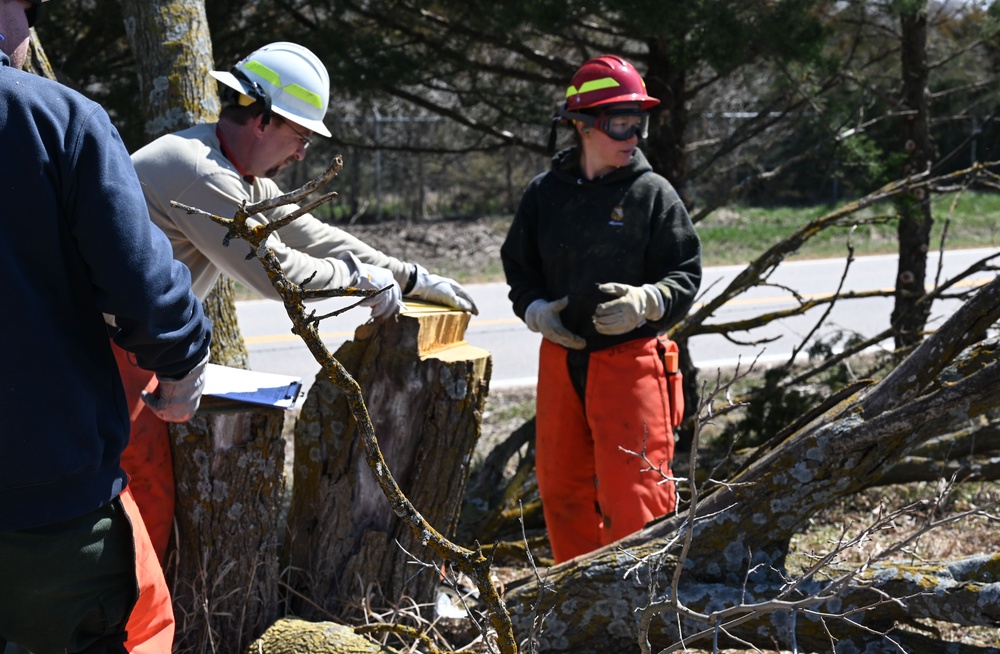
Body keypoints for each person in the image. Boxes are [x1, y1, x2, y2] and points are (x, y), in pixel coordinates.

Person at [122, 41, 479, 560]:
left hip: (128, 353)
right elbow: (277, 272)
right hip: (100, 357)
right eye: (300, 135)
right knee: (133, 506)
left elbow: (313, 235)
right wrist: (358, 280)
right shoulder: (200, 170)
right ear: (263, 119)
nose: (301, 154)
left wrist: (410, 276)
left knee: (145, 506)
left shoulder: (227, 167)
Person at [0, 0, 213, 650]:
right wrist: (180, 369)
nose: (29, 31)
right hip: (47, 517)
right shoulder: (54, 117)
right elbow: (147, 288)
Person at [501, 54, 702, 563]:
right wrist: (535, 309)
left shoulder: (652, 194)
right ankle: (582, 610)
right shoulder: (545, 195)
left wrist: (648, 301)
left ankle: (646, 615)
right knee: (562, 491)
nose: (633, 135)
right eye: (620, 122)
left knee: (638, 497)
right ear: (582, 124)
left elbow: (685, 272)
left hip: (630, 363)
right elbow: (519, 268)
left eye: (640, 123)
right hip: (561, 358)